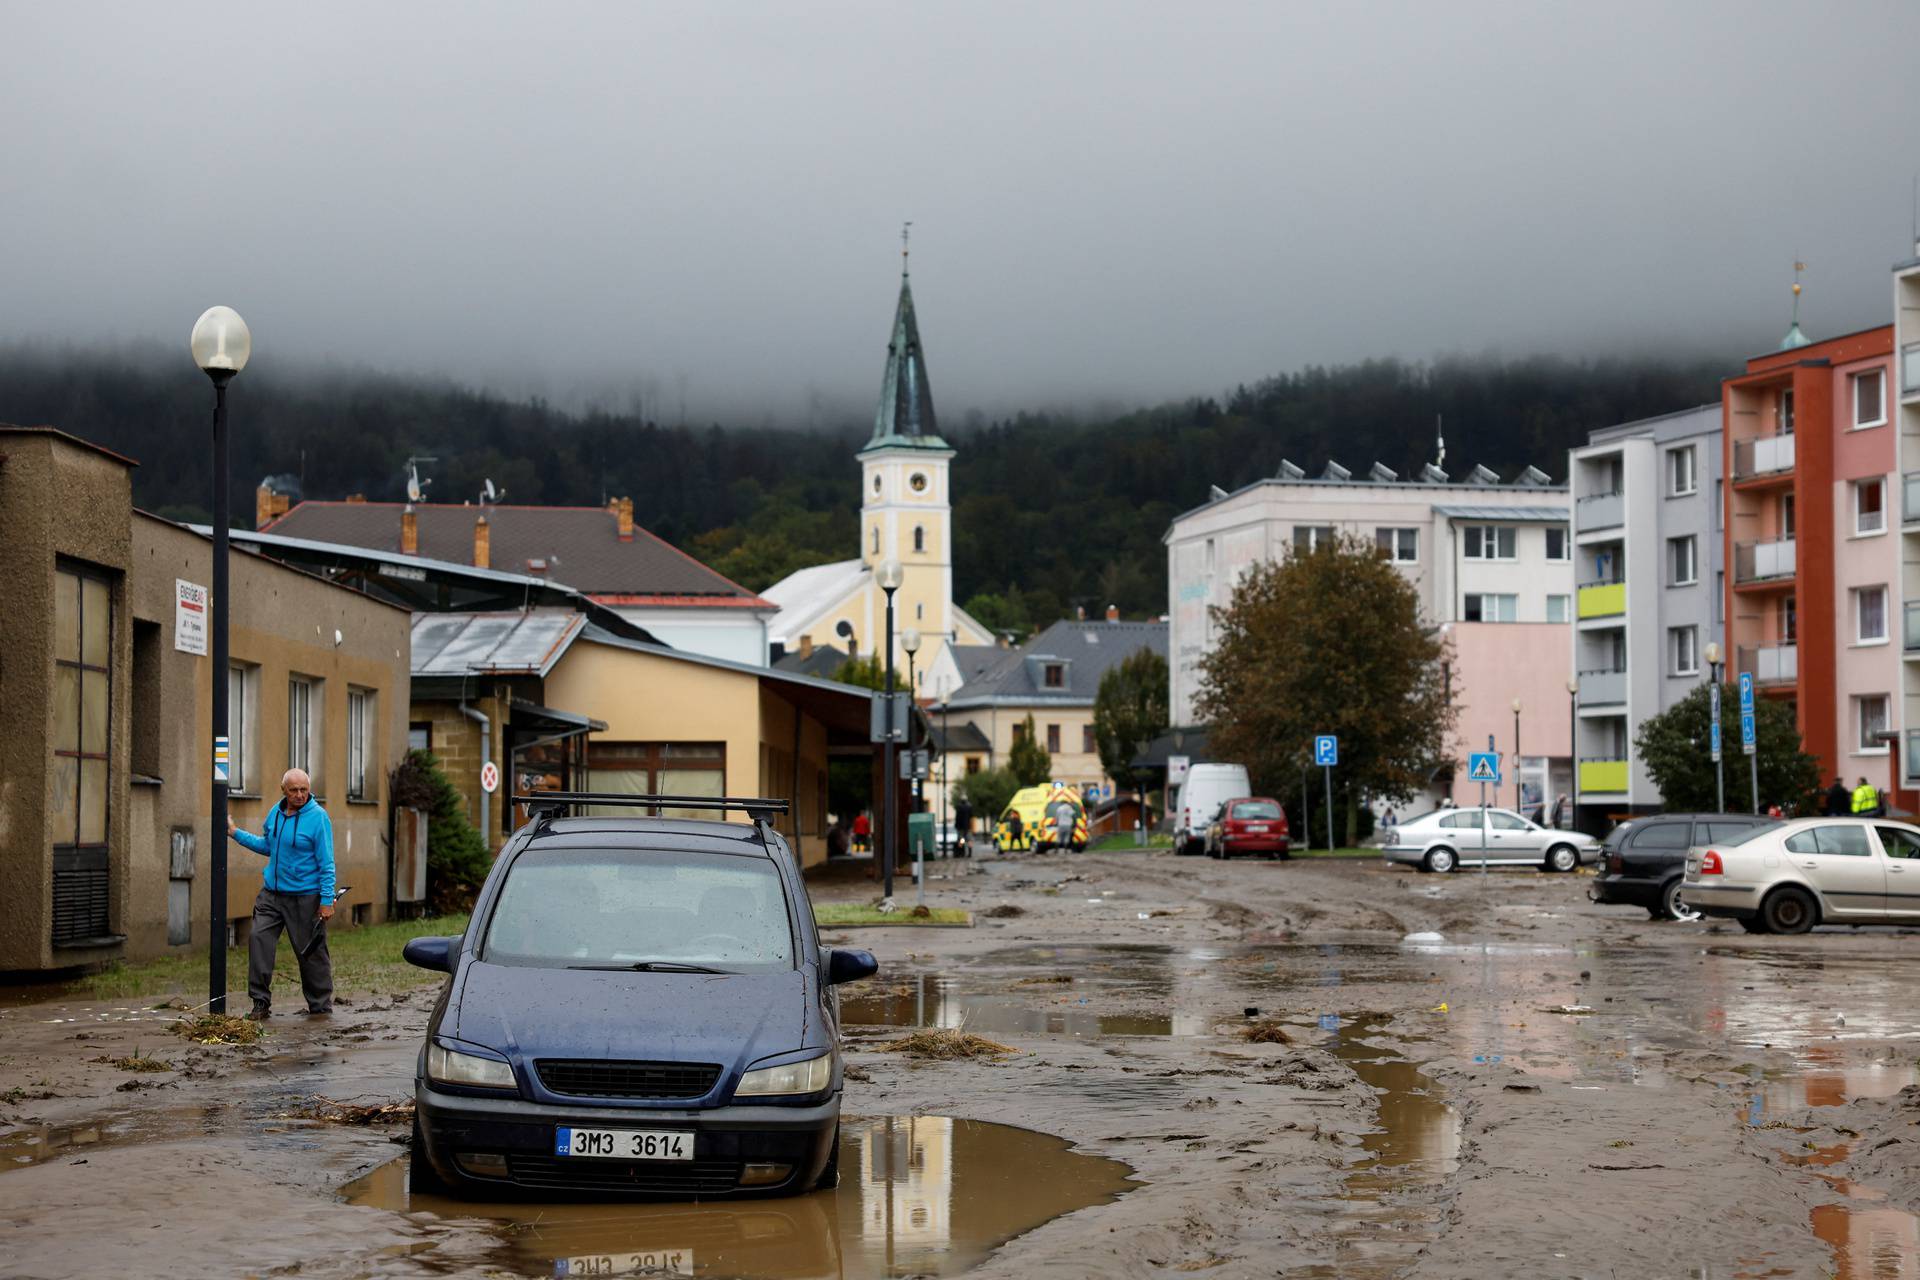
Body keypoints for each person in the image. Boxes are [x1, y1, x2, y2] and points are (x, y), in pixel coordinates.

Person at [227, 768, 334, 1020]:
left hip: (305, 897)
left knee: (310, 954)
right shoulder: (275, 813)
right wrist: (235, 834)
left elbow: (327, 863)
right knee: (258, 940)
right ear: (283, 790)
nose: (299, 795)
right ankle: (260, 1002)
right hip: (272, 895)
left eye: (304, 790)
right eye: (294, 790)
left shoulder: (318, 818)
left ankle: (320, 1007)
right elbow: (268, 846)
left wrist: (327, 900)